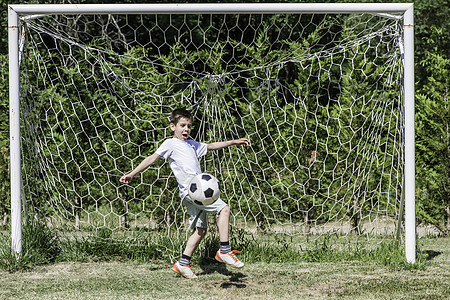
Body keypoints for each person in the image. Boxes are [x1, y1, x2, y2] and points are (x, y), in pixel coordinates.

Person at [120, 108, 249, 279]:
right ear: (173, 126)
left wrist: (232, 142)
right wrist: (132, 173)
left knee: (201, 230)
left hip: (198, 193)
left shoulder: (191, 144)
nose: (186, 129)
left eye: (189, 126)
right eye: (182, 125)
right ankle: (224, 250)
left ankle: (183, 263)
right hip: (193, 192)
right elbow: (152, 158)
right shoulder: (170, 144)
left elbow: (210, 146)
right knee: (224, 209)